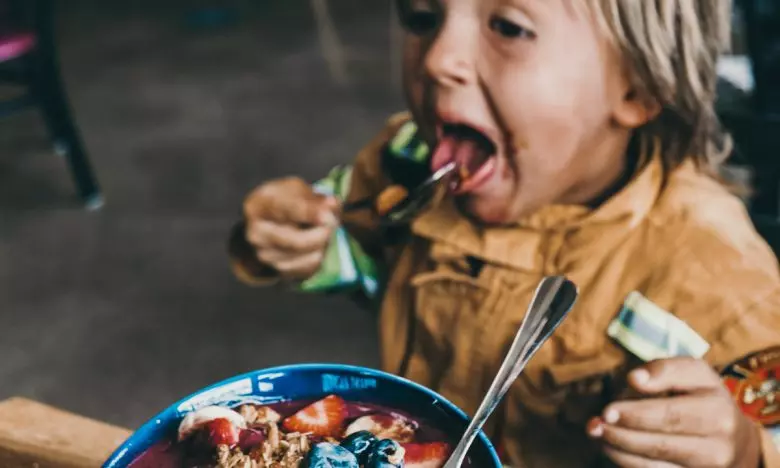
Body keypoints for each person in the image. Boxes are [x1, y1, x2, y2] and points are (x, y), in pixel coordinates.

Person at [229, 0, 780, 466]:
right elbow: (366, 247)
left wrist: (742, 448)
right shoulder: (408, 161)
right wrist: (304, 241)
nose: (440, 58)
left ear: (637, 86)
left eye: (509, 28)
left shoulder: (721, 275)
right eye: (423, 18)